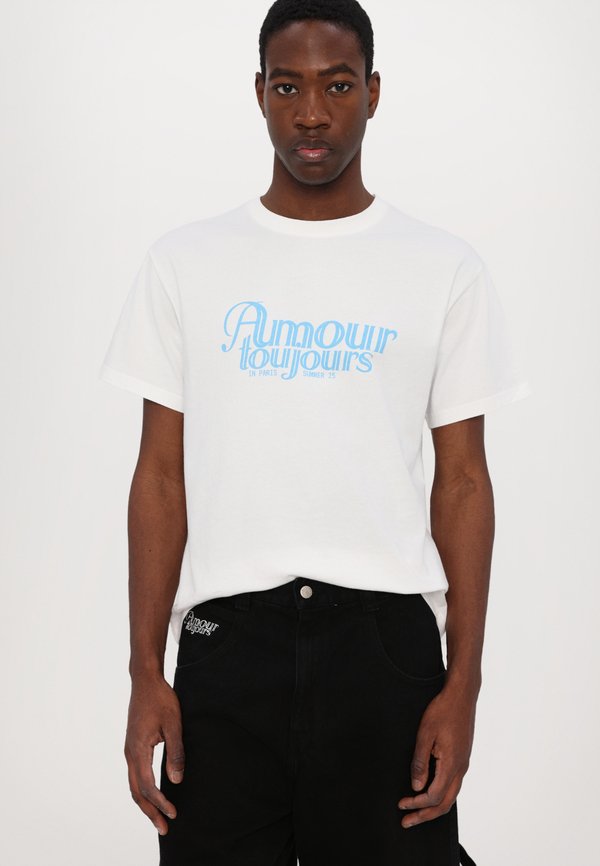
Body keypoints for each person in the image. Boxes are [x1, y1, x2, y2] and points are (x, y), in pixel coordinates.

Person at [98, 1, 531, 863]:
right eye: (288, 86)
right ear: (259, 93)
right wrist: (147, 671)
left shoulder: (442, 267)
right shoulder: (185, 262)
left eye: (336, 86)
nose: (311, 114)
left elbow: (463, 482)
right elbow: (159, 476)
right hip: (228, 647)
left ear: (373, 92)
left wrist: (464, 683)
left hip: (385, 649)